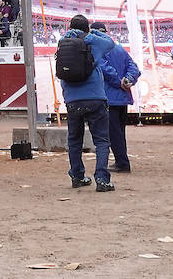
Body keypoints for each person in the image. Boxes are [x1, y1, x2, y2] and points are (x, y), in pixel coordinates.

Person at [57, 15, 122, 192]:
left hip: (71, 98)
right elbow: (110, 42)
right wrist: (91, 32)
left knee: (74, 140)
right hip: (95, 97)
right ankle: (102, 179)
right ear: (87, 28)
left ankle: (77, 176)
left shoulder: (63, 41)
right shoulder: (92, 41)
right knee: (101, 140)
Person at [92, 22, 140, 173]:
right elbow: (134, 68)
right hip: (122, 97)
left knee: (113, 133)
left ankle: (122, 162)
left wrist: (118, 81)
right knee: (119, 131)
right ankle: (122, 160)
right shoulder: (119, 48)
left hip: (108, 96)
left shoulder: (97, 50)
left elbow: (104, 68)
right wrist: (128, 80)